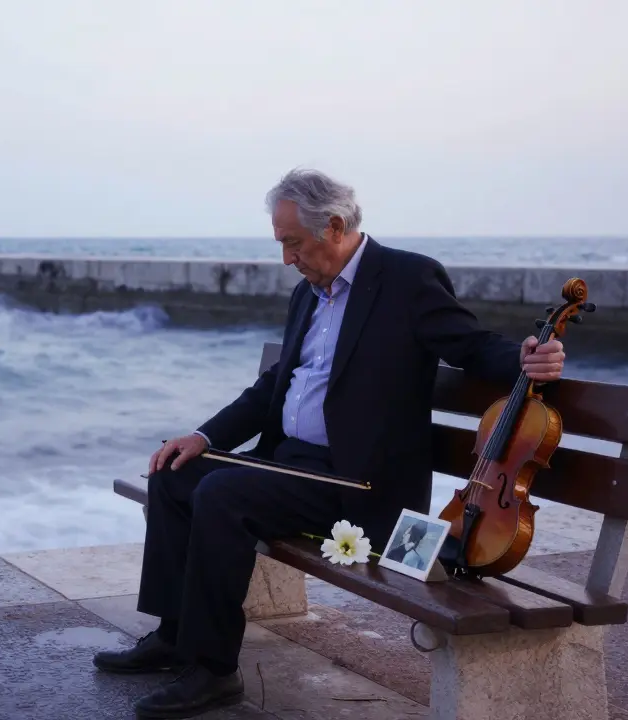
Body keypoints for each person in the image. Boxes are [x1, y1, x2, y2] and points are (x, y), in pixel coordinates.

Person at [94, 168, 567, 718]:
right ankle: (174, 635)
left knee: (223, 496)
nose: (287, 259)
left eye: (293, 244)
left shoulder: (407, 279)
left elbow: (471, 344)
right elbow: (273, 386)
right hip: (290, 467)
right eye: (282, 245)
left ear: (335, 227)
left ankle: (213, 670)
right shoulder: (308, 295)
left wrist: (527, 358)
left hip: (357, 482)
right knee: (173, 475)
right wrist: (202, 436)